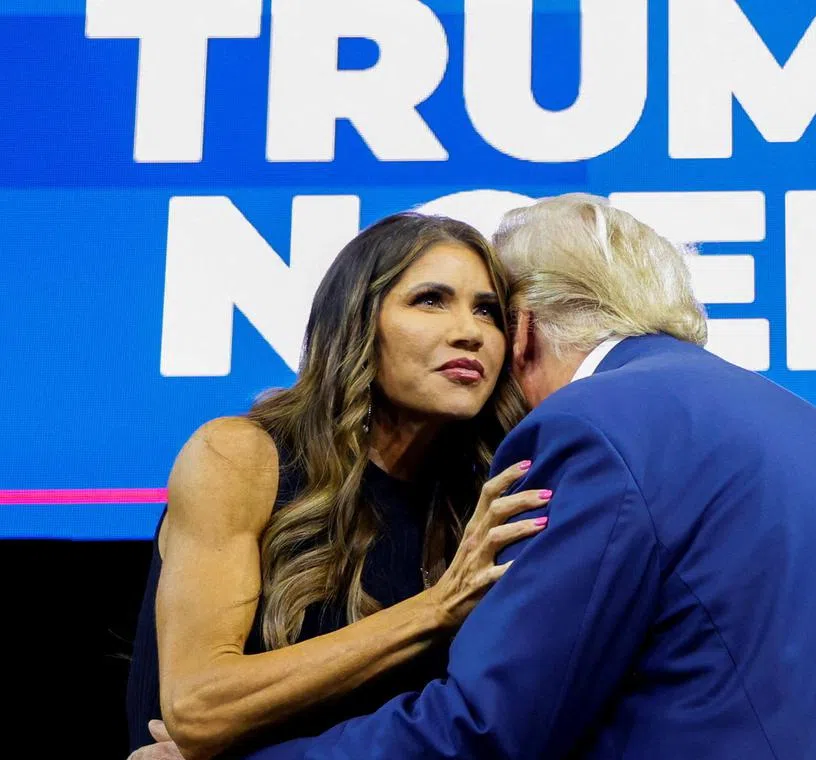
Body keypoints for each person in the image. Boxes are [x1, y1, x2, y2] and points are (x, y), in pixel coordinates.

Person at [247, 193, 816, 759]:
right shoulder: (790, 418)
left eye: (489, 313)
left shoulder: (590, 425)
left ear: (524, 329)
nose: (472, 340)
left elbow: (490, 726)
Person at [125, 212, 551, 759]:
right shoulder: (240, 457)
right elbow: (198, 706)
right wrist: (436, 609)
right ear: (357, 322)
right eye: (430, 300)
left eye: (487, 311)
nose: (470, 332)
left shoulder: (481, 500)